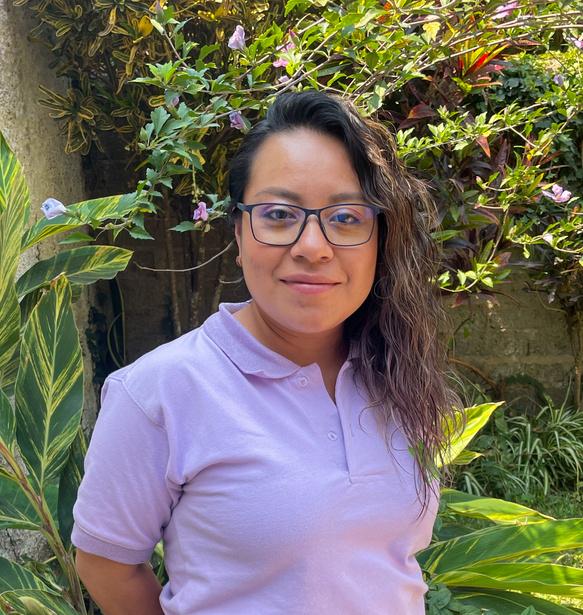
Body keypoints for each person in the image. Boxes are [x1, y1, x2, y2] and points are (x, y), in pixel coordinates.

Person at [72, 89, 460, 615]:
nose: (313, 247)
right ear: (239, 232)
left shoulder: (392, 368)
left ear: (380, 238)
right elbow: (105, 563)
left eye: (347, 217)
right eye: (279, 213)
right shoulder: (160, 393)